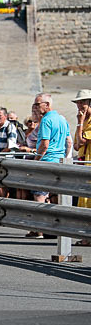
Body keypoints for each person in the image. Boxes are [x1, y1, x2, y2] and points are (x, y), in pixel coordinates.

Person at [26, 94, 71, 238]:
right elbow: (69, 142)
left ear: (47, 105)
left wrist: (37, 159)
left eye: (38, 104)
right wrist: (64, 157)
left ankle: (39, 228)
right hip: (59, 161)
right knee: (55, 195)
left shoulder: (46, 120)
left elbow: (44, 144)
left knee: (39, 195)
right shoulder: (62, 119)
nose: (36, 107)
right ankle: (57, 227)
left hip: (46, 161)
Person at [72, 90, 91, 243]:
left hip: (89, 161)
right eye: (78, 102)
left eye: (82, 102)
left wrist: (79, 122)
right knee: (83, 200)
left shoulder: (86, 121)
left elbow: (82, 140)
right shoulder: (83, 120)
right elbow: (77, 145)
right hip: (83, 161)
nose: (80, 105)